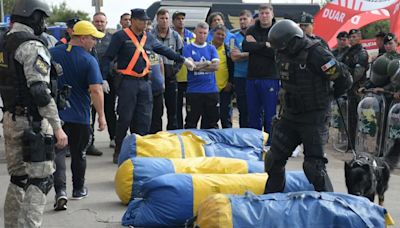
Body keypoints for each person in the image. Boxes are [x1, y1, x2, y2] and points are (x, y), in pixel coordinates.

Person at [0, 0, 68, 226]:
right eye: (42, 18)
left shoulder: (4, 43)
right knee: (41, 180)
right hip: (33, 123)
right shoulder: (32, 46)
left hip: (10, 119)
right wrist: (57, 127)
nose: (44, 24)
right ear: (33, 17)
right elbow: (39, 91)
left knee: (18, 178)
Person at [264, 19, 352, 193]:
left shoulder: (317, 53)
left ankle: (330, 205)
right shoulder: (281, 52)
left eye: (283, 47)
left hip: (314, 117)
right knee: (273, 160)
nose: (280, 51)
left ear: (293, 40)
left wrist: (330, 96)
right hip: (290, 115)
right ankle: (271, 201)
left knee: (314, 167)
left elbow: (344, 79)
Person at [102, 8, 195, 164]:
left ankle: (140, 150)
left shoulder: (148, 38)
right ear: (133, 21)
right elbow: (108, 57)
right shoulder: (120, 36)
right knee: (125, 118)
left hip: (145, 83)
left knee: (144, 118)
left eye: (146, 20)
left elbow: (164, 50)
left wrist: (182, 60)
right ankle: (119, 150)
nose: (145, 23)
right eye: (142, 20)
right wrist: (103, 78)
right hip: (127, 82)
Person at [51, 20, 106, 210]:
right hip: (80, 115)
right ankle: (79, 189)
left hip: (56, 116)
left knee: (57, 153)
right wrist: (101, 116)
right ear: (82, 39)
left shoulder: (53, 53)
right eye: (93, 39)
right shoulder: (89, 60)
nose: (95, 43)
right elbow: (96, 90)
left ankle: (60, 191)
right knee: (79, 153)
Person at [242, 4, 278, 145]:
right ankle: (255, 143)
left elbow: (275, 52)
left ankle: (270, 144)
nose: (264, 16)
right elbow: (246, 47)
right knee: (253, 114)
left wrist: (257, 45)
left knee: (270, 115)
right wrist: (265, 45)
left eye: (266, 13)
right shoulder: (252, 29)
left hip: (270, 77)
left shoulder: (276, 30)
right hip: (252, 77)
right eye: (262, 13)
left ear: (272, 14)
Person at [151, 9, 183, 130]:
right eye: (161, 18)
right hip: (155, 77)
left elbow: (181, 56)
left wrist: (174, 70)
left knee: (172, 110)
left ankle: (172, 136)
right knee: (156, 111)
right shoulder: (150, 35)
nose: (164, 21)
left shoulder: (175, 36)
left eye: (166, 18)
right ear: (157, 20)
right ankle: (156, 136)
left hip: (171, 77)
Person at [184, 22, 220, 129]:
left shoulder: (211, 48)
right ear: (195, 32)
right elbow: (191, 66)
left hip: (211, 91)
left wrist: (197, 65)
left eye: (205, 33)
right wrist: (207, 63)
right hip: (194, 91)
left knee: (211, 124)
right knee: (191, 123)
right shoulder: (187, 48)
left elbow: (216, 67)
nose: (202, 35)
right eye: (200, 33)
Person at [90, 12, 115, 151]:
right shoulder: (89, 38)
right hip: (91, 79)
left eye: (102, 21)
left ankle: (113, 138)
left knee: (110, 110)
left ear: (106, 23)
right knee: (91, 112)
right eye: (97, 21)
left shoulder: (112, 38)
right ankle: (90, 141)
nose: (99, 24)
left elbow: (115, 58)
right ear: (93, 22)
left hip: (108, 80)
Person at [342, 29, 369, 150]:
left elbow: (358, 74)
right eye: (350, 37)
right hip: (348, 88)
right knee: (349, 117)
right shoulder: (348, 51)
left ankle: (356, 144)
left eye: (354, 37)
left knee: (356, 118)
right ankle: (350, 143)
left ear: (359, 38)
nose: (351, 39)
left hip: (356, 89)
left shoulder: (361, 53)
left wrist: (346, 79)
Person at [172, 11, 195, 129]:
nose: (181, 21)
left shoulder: (191, 36)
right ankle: (179, 130)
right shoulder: (170, 35)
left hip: (190, 77)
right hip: (176, 76)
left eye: (182, 18)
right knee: (177, 107)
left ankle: (189, 129)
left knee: (191, 107)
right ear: (173, 21)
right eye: (178, 19)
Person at [231, 9, 252, 128]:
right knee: (242, 109)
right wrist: (251, 54)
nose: (242, 21)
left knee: (255, 109)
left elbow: (260, 52)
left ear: (251, 20)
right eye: (241, 19)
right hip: (239, 77)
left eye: (245, 19)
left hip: (254, 75)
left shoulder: (255, 35)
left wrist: (242, 54)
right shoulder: (234, 37)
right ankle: (242, 135)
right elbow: (234, 57)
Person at [211, 24, 234, 128]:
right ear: (213, 34)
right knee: (212, 117)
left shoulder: (227, 49)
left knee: (226, 117)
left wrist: (230, 83)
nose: (220, 36)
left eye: (223, 35)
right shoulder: (207, 47)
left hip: (225, 88)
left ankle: (228, 141)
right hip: (210, 89)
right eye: (218, 34)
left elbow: (232, 67)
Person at [145, 21, 165, 134]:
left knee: (158, 115)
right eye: (146, 30)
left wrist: (163, 82)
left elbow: (161, 63)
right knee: (146, 116)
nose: (148, 32)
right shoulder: (139, 46)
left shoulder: (155, 46)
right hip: (145, 88)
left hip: (158, 88)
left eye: (149, 30)